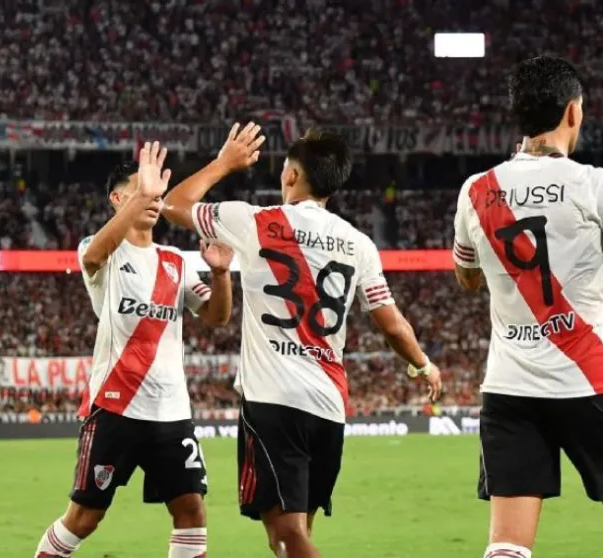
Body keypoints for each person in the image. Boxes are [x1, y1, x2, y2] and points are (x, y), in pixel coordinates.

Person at [160, 124, 442, 558]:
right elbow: (392, 325)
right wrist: (423, 364)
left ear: (291, 175)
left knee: (286, 535)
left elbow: (173, 204)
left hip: (274, 401)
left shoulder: (255, 221)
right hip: (328, 405)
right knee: (295, 534)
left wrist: (224, 163)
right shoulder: (358, 244)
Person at [452, 55, 603, 558]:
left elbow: (468, 278)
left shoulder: (476, 191)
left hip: (510, 387)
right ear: (573, 112)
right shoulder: (594, 183)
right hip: (590, 382)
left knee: (507, 543)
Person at [34, 142, 234, 558]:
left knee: (191, 511)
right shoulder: (100, 249)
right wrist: (143, 194)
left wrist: (220, 275)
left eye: (157, 195)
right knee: (84, 518)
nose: (155, 201)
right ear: (117, 199)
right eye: (143, 193)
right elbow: (93, 254)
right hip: (116, 407)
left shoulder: (175, 262)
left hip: (171, 413)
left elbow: (217, 316)